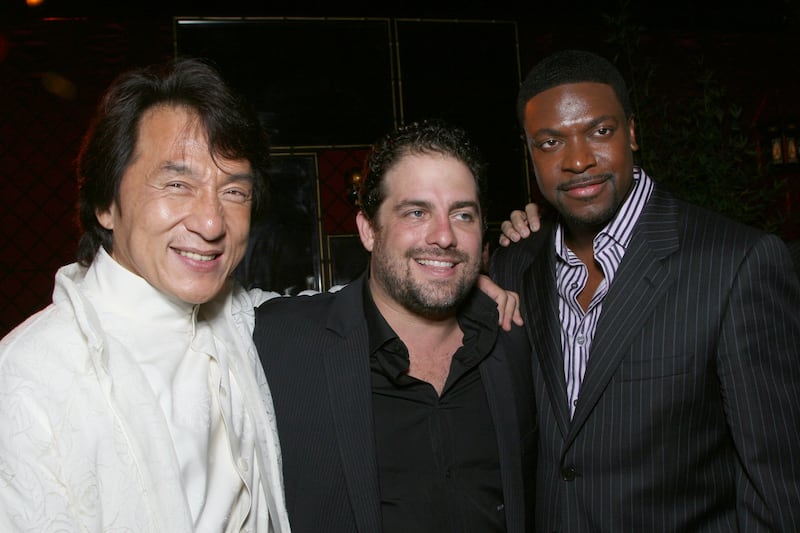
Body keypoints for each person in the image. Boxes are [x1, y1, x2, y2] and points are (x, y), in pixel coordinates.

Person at [492, 49, 800, 531]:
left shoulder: (736, 263)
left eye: (600, 131)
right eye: (550, 142)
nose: (577, 160)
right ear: (530, 153)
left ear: (632, 133)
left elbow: (778, 484)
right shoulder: (515, 264)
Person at [0, 58, 291, 532]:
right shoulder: (27, 381)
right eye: (177, 184)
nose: (212, 223)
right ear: (105, 204)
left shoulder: (246, 322)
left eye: (234, 192)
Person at [254, 120, 536, 532]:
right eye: (417, 212)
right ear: (369, 229)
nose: (444, 236)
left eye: (463, 214)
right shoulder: (281, 344)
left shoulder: (515, 342)